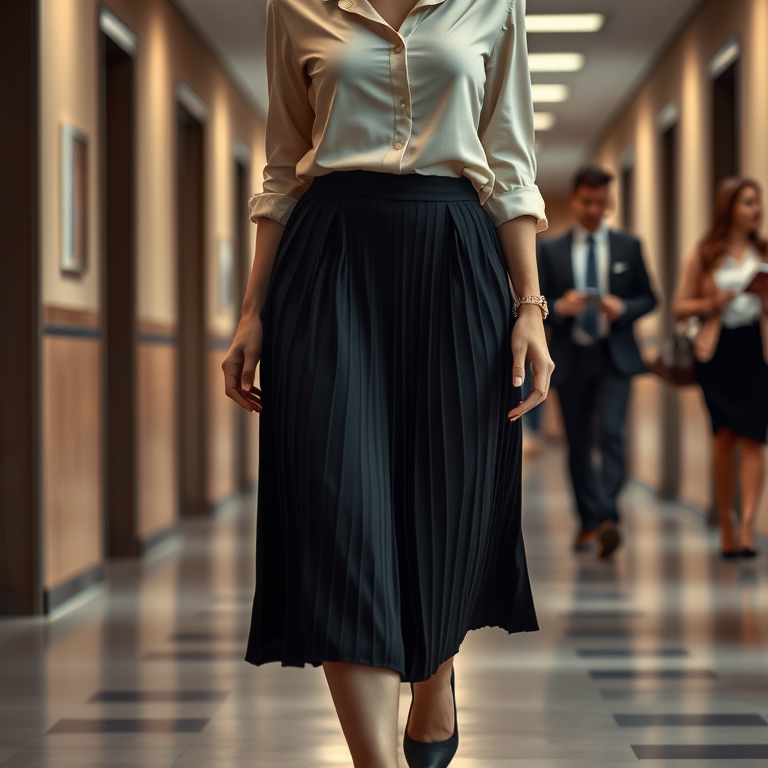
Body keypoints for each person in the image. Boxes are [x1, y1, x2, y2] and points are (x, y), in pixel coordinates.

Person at [222, 1, 552, 766]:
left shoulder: (492, 4)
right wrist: (253, 312)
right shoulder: (296, 6)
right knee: (340, 513)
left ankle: (435, 672)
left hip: (455, 256)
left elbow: (508, 160)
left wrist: (529, 306)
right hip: (331, 263)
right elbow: (281, 165)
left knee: (448, 501)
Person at [538, 167, 657, 558]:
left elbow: (649, 298)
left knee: (610, 432)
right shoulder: (551, 250)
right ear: (574, 200)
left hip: (613, 358)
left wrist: (623, 308)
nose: (593, 209)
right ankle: (588, 522)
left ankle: (608, 516)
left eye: (600, 202)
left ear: (610, 203)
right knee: (578, 444)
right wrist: (560, 306)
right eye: (587, 201)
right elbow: (534, 304)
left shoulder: (628, 246)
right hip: (571, 358)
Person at [671, 177, 768, 559]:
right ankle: (725, 522)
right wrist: (711, 301)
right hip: (718, 353)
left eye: (758, 203)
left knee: (754, 438)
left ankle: (748, 530)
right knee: (723, 437)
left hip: (760, 351)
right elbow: (679, 306)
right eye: (748, 203)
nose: (756, 210)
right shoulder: (705, 253)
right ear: (729, 209)